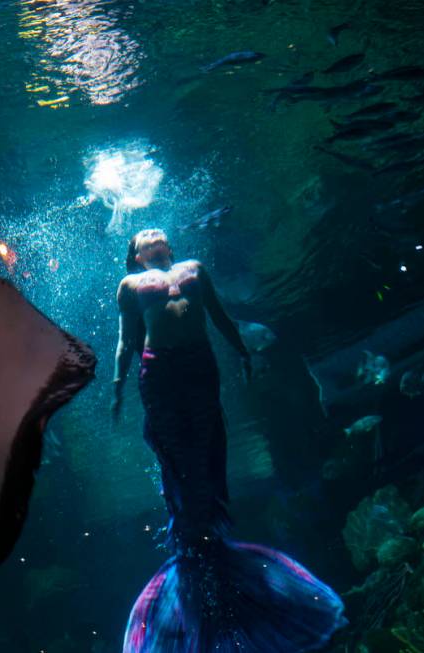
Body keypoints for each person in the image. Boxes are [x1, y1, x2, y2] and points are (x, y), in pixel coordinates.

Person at [112, 229, 346, 652]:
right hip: (160, 373)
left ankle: (212, 551)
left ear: (168, 245)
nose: (150, 232)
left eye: (155, 231)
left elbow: (220, 317)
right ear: (135, 254)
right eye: (141, 235)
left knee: (207, 460)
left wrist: (242, 350)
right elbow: (127, 339)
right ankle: (190, 556)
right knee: (175, 463)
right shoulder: (129, 285)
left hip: (200, 368)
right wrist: (116, 383)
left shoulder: (194, 270)